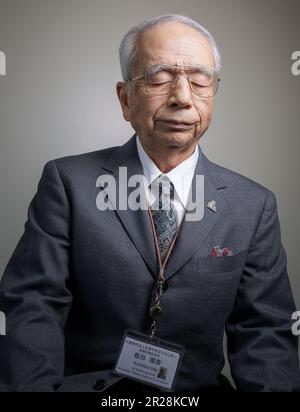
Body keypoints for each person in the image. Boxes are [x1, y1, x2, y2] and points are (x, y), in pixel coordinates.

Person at [0, 13, 299, 393]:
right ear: (126, 99)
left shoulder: (252, 206)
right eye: (158, 76)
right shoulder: (68, 183)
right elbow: (31, 308)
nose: (182, 97)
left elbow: (264, 332)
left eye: (199, 79)